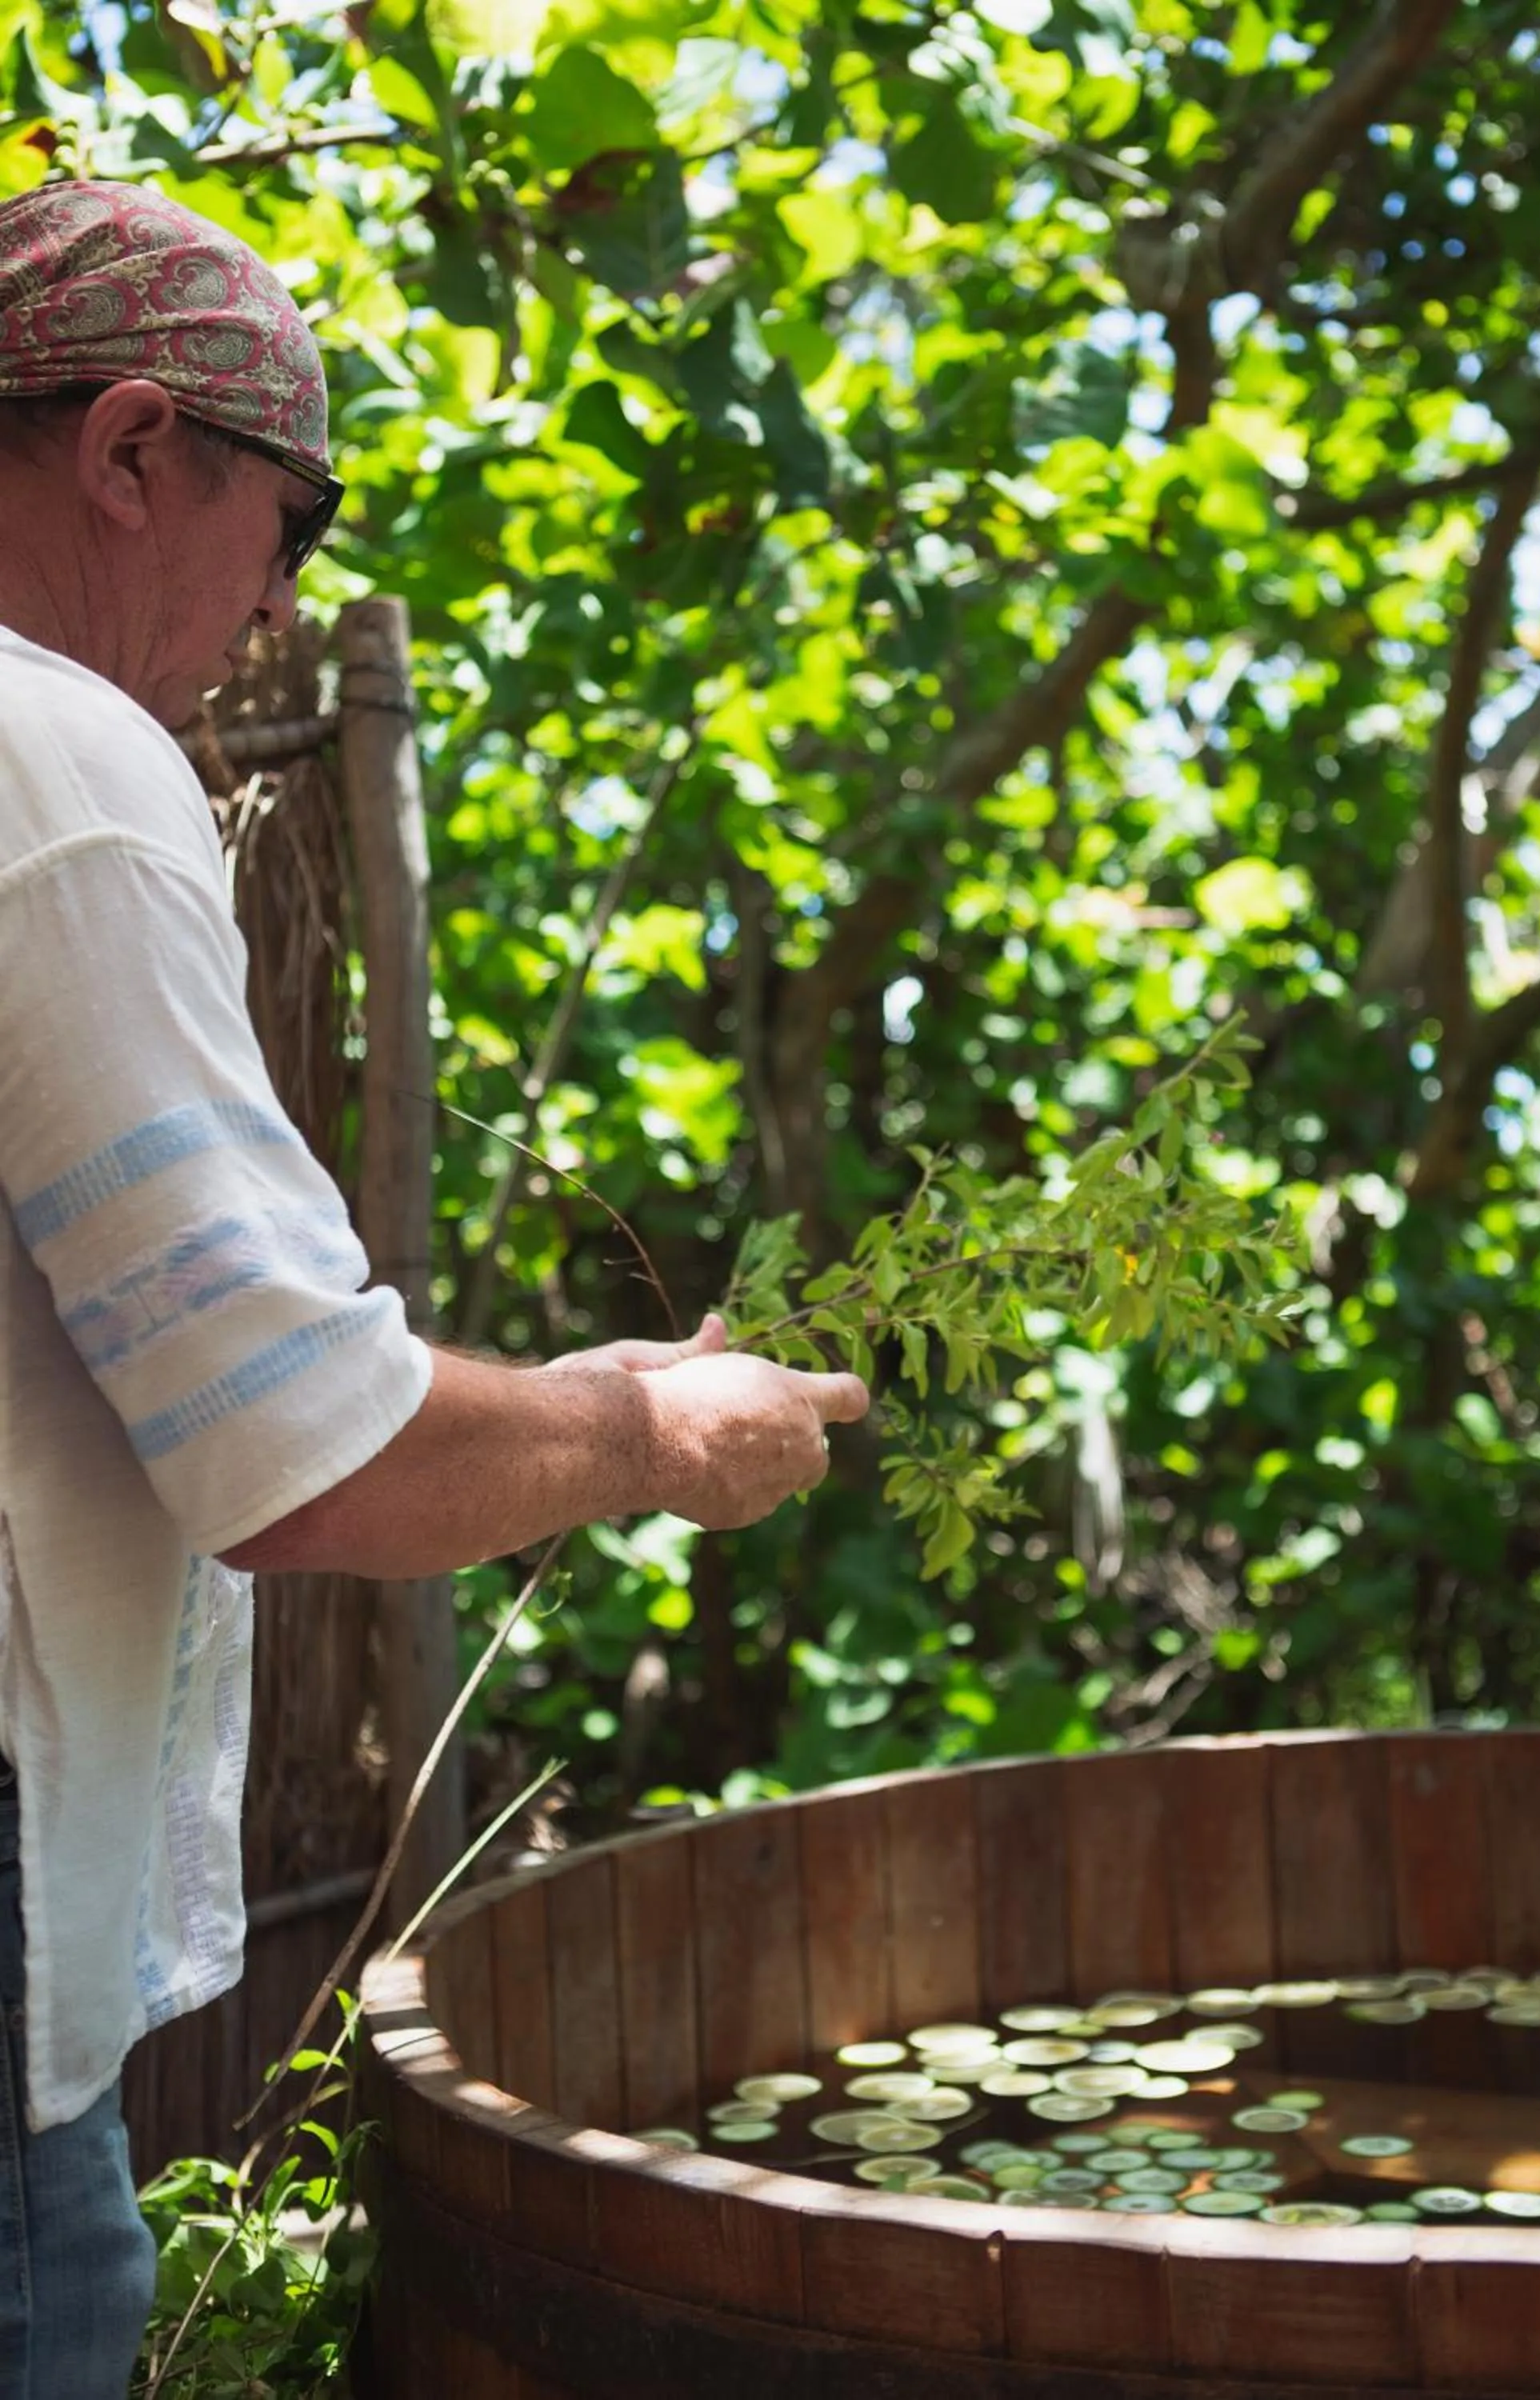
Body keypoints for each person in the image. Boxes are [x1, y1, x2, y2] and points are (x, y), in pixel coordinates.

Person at [0, 178, 868, 2397]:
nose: (273, 607)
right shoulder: (59, 771)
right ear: (124, 454)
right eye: (280, 531)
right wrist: (648, 1429)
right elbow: (297, 1451)